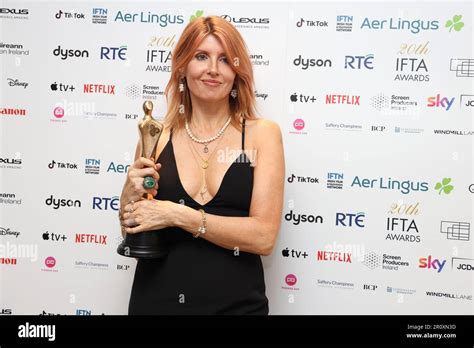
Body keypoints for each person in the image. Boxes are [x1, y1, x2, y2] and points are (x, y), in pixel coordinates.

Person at [119, 15, 285, 315]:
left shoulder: (262, 135)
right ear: (183, 66)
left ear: (237, 72)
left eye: (224, 60)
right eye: (201, 56)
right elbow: (130, 232)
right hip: (157, 304)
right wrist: (129, 196)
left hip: (239, 307)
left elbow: (264, 237)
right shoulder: (157, 136)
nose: (212, 69)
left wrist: (181, 215)